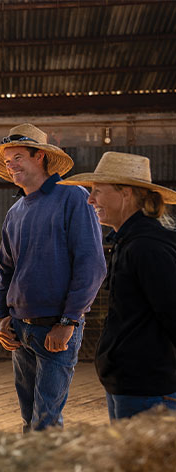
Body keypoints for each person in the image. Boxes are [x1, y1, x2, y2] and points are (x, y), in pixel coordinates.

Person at [0, 123, 106, 432]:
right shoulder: (16, 211)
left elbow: (91, 264)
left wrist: (69, 320)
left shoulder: (73, 198)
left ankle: (49, 463)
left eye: (18, 158)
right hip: (19, 328)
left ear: (40, 157)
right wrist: (0, 317)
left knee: (45, 422)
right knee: (29, 418)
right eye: (7, 161)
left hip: (55, 327)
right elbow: (6, 271)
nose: (11, 166)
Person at [58, 152, 176, 420]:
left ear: (126, 193)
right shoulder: (129, 242)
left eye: (98, 191)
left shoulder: (147, 247)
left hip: (148, 387)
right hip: (130, 384)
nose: (90, 199)